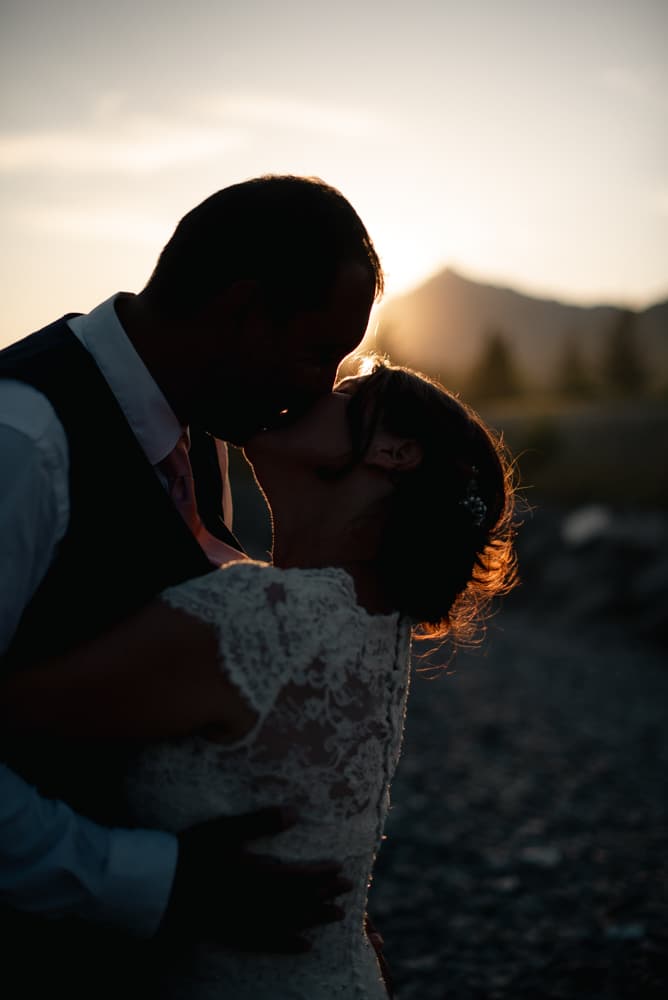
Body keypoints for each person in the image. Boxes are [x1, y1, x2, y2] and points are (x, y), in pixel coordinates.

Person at [2, 360, 518, 998]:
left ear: (394, 452)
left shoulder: (261, 617)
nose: (311, 389)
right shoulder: (380, 619)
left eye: (347, 390)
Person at [0, 176, 382, 969]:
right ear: (244, 312)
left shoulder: (196, 431)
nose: (323, 387)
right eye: (319, 352)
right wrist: (153, 882)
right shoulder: (22, 441)